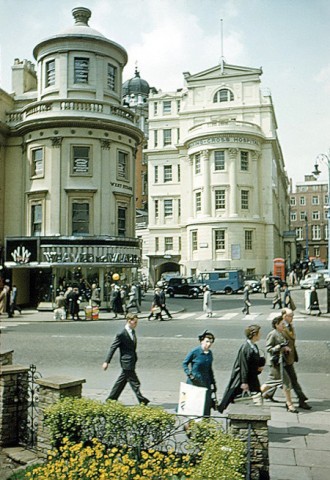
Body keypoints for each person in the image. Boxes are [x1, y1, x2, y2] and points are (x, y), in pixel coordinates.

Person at [102, 313, 149, 405]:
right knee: (135, 382)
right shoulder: (121, 334)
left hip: (132, 360)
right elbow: (113, 347)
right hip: (126, 361)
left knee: (121, 382)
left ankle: (111, 399)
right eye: (134, 322)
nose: (136, 324)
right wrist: (107, 361)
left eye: (136, 322)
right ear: (129, 321)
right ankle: (142, 400)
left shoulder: (132, 331)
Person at [218, 324, 265, 413]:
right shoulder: (246, 348)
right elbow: (244, 366)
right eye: (259, 333)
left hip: (252, 377)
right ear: (254, 335)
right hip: (245, 379)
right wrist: (244, 382)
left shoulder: (254, 346)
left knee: (255, 396)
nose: (261, 335)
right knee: (237, 396)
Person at [260, 316, 298, 412]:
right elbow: (268, 348)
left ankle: (254, 396)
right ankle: (289, 404)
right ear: (276, 325)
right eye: (282, 324)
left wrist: (285, 348)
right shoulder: (272, 334)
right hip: (274, 363)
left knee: (271, 383)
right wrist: (278, 347)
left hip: (280, 362)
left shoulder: (281, 333)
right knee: (286, 382)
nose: (284, 325)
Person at [282, 308, 311, 410]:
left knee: (274, 380)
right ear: (284, 316)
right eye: (290, 316)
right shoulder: (281, 327)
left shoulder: (290, 326)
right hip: (283, 359)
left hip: (290, 357)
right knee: (292, 380)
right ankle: (301, 399)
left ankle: (268, 394)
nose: (292, 318)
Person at [182, 330, 217, 416]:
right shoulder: (195, 352)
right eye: (207, 341)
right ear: (202, 341)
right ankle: (190, 425)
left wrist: (213, 383)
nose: (209, 344)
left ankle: (204, 425)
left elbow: (209, 369)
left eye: (211, 342)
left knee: (206, 405)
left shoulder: (210, 354)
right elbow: (184, 363)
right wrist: (190, 374)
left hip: (206, 382)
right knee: (194, 405)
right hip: (195, 382)